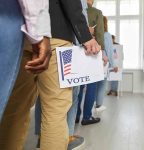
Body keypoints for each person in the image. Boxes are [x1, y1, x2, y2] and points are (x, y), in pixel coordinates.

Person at [0, 0, 101, 150]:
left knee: (16, 107)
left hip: (17, 31)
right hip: (54, 35)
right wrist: (85, 35)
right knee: (55, 109)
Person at [77, 0, 105, 125]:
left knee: (78, 85)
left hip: (76, 50)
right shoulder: (96, 12)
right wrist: (102, 53)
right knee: (92, 85)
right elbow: (99, 34)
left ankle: (76, 116)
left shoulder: (75, 8)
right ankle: (87, 117)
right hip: (92, 51)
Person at [95, 16, 117, 112]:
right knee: (102, 85)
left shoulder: (93, 34)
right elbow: (109, 51)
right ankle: (99, 106)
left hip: (93, 62)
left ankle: (91, 107)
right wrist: (114, 65)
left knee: (93, 86)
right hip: (103, 62)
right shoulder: (106, 35)